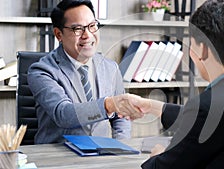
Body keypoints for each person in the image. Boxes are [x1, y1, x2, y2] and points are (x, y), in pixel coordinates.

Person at [129, 0, 224, 168]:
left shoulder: (209, 106)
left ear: (203, 49)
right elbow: (212, 119)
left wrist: (158, 154)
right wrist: (153, 107)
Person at [27, 0, 143, 144]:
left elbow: (121, 118)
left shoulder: (111, 68)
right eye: (77, 29)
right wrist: (109, 104)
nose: (87, 35)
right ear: (58, 34)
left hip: (101, 156)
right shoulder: (41, 71)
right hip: (58, 158)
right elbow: (63, 114)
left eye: (92, 26)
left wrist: (121, 145)